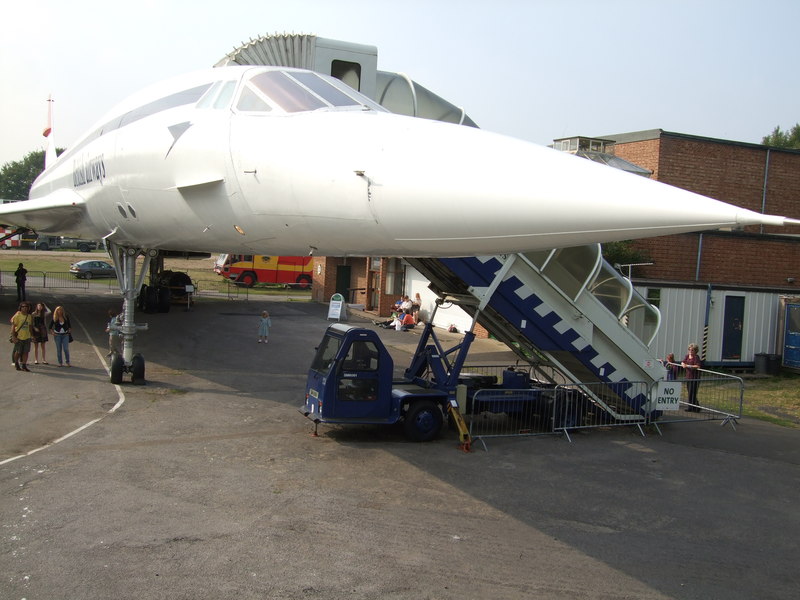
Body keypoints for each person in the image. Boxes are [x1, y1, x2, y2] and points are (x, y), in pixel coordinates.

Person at [10, 301, 33, 371]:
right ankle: (16, 363)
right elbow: (13, 327)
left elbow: (30, 327)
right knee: (18, 351)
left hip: (27, 336)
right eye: (23, 307)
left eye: (26, 307)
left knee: (26, 352)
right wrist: (13, 336)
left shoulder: (29, 316)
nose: (25, 308)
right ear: (20, 308)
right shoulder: (17, 316)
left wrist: (32, 336)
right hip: (19, 337)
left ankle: (24, 365)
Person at [681, 343, 702, 412]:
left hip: (694, 377)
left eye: (692, 350)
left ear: (695, 351)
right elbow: (683, 362)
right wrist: (683, 364)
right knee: (689, 392)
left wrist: (688, 366)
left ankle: (694, 407)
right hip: (688, 377)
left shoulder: (696, 357)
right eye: (689, 350)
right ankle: (694, 406)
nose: (690, 351)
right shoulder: (687, 356)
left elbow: (697, 366)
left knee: (692, 392)